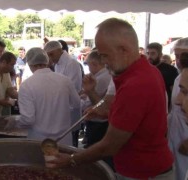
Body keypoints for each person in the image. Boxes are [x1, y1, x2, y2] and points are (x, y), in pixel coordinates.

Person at [50, 18, 174, 180]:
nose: (104, 62)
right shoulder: (146, 70)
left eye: (105, 56)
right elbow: (135, 118)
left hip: (144, 172)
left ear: (123, 50)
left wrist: (71, 160)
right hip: (144, 168)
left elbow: (109, 146)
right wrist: (107, 114)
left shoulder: (136, 84)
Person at [10, 47, 80, 145]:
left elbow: (28, 119)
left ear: (29, 64)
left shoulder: (27, 85)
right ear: (46, 61)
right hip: (64, 138)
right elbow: (77, 104)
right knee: (63, 160)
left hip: (39, 140)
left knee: (40, 161)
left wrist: (16, 123)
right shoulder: (65, 80)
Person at [44, 40, 82, 147]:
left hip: (70, 107)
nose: (51, 58)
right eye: (48, 56)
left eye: (52, 54)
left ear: (60, 50)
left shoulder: (72, 63)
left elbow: (73, 89)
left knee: (71, 144)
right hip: (61, 108)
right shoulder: (57, 65)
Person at [167, 38, 188, 180]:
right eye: (177, 56)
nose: (179, 60)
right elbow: (173, 107)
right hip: (175, 132)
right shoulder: (179, 77)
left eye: (184, 56)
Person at [147, 42, 178, 109]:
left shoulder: (170, 70)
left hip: (164, 108)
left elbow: (174, 92)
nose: (149, 56)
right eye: (148, 53)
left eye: (153, 53)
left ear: (160, 55)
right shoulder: (144, 69)